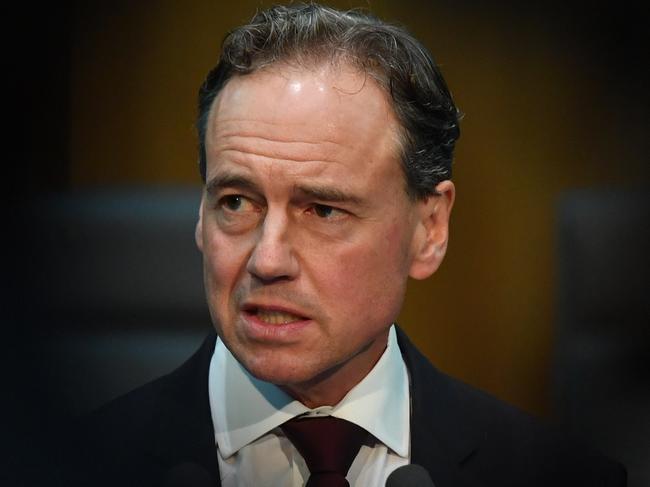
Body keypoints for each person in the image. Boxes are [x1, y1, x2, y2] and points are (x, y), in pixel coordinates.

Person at [71, 4, 626, 486]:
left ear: (429, 229)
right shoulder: (63, 467)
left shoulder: (560, 475)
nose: (267, 260)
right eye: (237, 202)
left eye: (324, 210)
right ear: (201, 214)